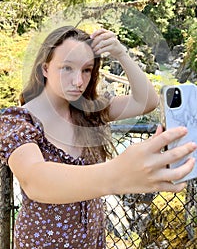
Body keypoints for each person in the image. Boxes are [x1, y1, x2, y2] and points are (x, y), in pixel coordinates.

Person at [0, 26, 196, 249]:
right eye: (67, 68)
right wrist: (117, 174)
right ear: (45, 68)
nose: (78, 81)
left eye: (86, 70)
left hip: (92, 239)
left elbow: (146, 101)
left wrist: (121, 54)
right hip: (43, 243)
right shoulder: (18, 120)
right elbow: (35, 180)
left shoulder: (89, 112)